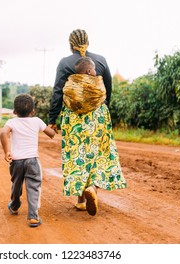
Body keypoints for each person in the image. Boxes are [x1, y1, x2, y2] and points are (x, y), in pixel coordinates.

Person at [48, 29, 127, 216]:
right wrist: (105, 109)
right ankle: (92, 188)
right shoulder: (100, 60)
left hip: (73, 116)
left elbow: (58, 92)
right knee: (99, 153)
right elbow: (108, 88)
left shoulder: (64, 63)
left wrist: (52, 119)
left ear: (70, 44)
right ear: (88, 42)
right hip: (98, 113)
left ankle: (81, 200)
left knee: (77, 153)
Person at [0, 94, 56, 227]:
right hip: (32, 160)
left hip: (16, 161)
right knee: (33, 187)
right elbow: (51, 134)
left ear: (14, 112)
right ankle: (33, 217)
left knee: (16, 184)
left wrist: (7, 152)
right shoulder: (37, 120)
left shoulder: (11, 122)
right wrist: (52, 128)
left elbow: (3, 133)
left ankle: (14, 206)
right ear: (33, 111)